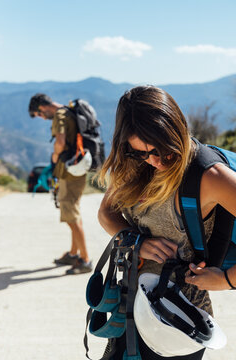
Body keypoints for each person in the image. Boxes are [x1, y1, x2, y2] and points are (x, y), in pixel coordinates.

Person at [97, 85, 236, 359]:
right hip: (132, 303)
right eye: (142, 153)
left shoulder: (209, 176)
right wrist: (136, 240)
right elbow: (106, 213)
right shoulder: (132, 164)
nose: (156, 162)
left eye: (165, 152)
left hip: (180, 317)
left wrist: (227, 281)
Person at [28, 93, 92, 275]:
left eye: (39, 114)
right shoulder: (69, 111)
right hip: (77, 169)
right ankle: (73, 253)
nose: (41, 117)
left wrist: (55, 157)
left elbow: (60, 142)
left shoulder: (59, 116)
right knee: (74, 213)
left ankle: (85, 260)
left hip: (69, 172)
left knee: (71, 216)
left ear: (43, 107)